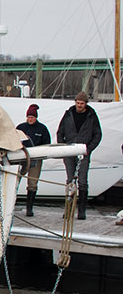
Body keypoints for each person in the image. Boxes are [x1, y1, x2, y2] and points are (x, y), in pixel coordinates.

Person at [57, 91, 102, 220]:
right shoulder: (68, 114)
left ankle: (81, 211)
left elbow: (97, 135)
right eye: (77, 103)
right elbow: (60, 131)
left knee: (82, 182)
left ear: (86, 104)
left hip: (83, 151)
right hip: (69, 151)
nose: (79, 105)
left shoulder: (91, 116)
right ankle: (69, 210)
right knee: (70, 181)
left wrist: (89, 148)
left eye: (81, 103)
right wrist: (62, 147)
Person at [16, 104, 50, 216]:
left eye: (32, 117)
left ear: (36, 117)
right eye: (29, 117)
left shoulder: (42, 129)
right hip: (21, 158)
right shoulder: (21, 128)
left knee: (32, 183)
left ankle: (29, 208)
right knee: (16, 180)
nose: (30, 119)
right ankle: (11, 203)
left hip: (36, 158)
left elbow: (47, 144)